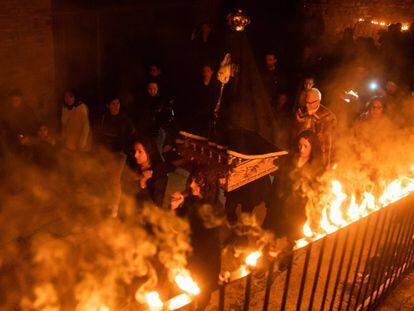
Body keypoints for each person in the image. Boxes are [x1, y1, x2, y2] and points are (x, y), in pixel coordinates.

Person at [170, 168, 224, 310]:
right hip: (190, 252)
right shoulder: (191, 201)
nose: (192, 185)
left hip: (206, 259)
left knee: (202, 290)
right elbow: (179, 222)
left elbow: (210, 240)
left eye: (198, 183)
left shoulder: (216, 208)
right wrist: (175, 207)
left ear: (208, 186)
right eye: (192, 180)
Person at [263, 130, 323, 239]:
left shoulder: (316, 166)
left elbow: (316, 188)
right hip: (280, 203)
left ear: (312, 147)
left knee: (292, 237)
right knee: (270, 234)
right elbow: (278, 178)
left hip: (298, 209)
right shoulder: (290, 159)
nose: (302, 149)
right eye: (300, 145)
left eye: (306, 146)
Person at [96, 97, 135, 216]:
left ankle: (115, 207)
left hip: (119, 154)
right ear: (108, 105)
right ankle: (108, 202)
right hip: (106, 153)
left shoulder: (125, 120)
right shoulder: (104, 118)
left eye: (118, 103)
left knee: (114, 180)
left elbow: (132, 134)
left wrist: (127, 150)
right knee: (107, 178)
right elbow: (100, 134)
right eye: (113, 103)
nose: (116, 106)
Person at [126, 138, 173, 209]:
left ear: (149, 153)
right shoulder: (133, 164)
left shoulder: (159, 174)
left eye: (140, 152)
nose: (135, 155)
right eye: (135, 151)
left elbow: (155, 206)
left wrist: (143, 183)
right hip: (127, 205)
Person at [295, 88, 336, 167]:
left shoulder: (328, 117)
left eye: (310, 103)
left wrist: (327, 164)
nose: (307, 105)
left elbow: (328, 143)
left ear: (318, 101)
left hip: (318, 155)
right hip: (301, 152)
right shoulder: (302, 112)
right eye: (306, 102)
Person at [2, 89, 39, 155]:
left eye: (16, 100)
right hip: (12, 139)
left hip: (27, 138)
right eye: (12, 100)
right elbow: (4, 126)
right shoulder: (7, 111)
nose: (14, 102)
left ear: (21, 100)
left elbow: (34, 126)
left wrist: (28, 137)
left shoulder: (28, 111)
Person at [187, 64, 220, 136]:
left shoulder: (215, 86)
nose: (206, 73)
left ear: (212, 72)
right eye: (204, 71)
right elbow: (194, 98)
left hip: (209, 114)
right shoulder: (198, 84)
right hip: (198, 113)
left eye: (208, 71)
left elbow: (216, 99)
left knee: (206, 133)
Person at [141, 81, 174, 153]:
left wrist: (162, 127)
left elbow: (169, 116)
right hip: (148, 131)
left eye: (154, 88)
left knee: (157, 150)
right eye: (150, 89)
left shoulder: (162, 101)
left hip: (159, 131)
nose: (152, 91)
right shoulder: (144, 101)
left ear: (157, 88)